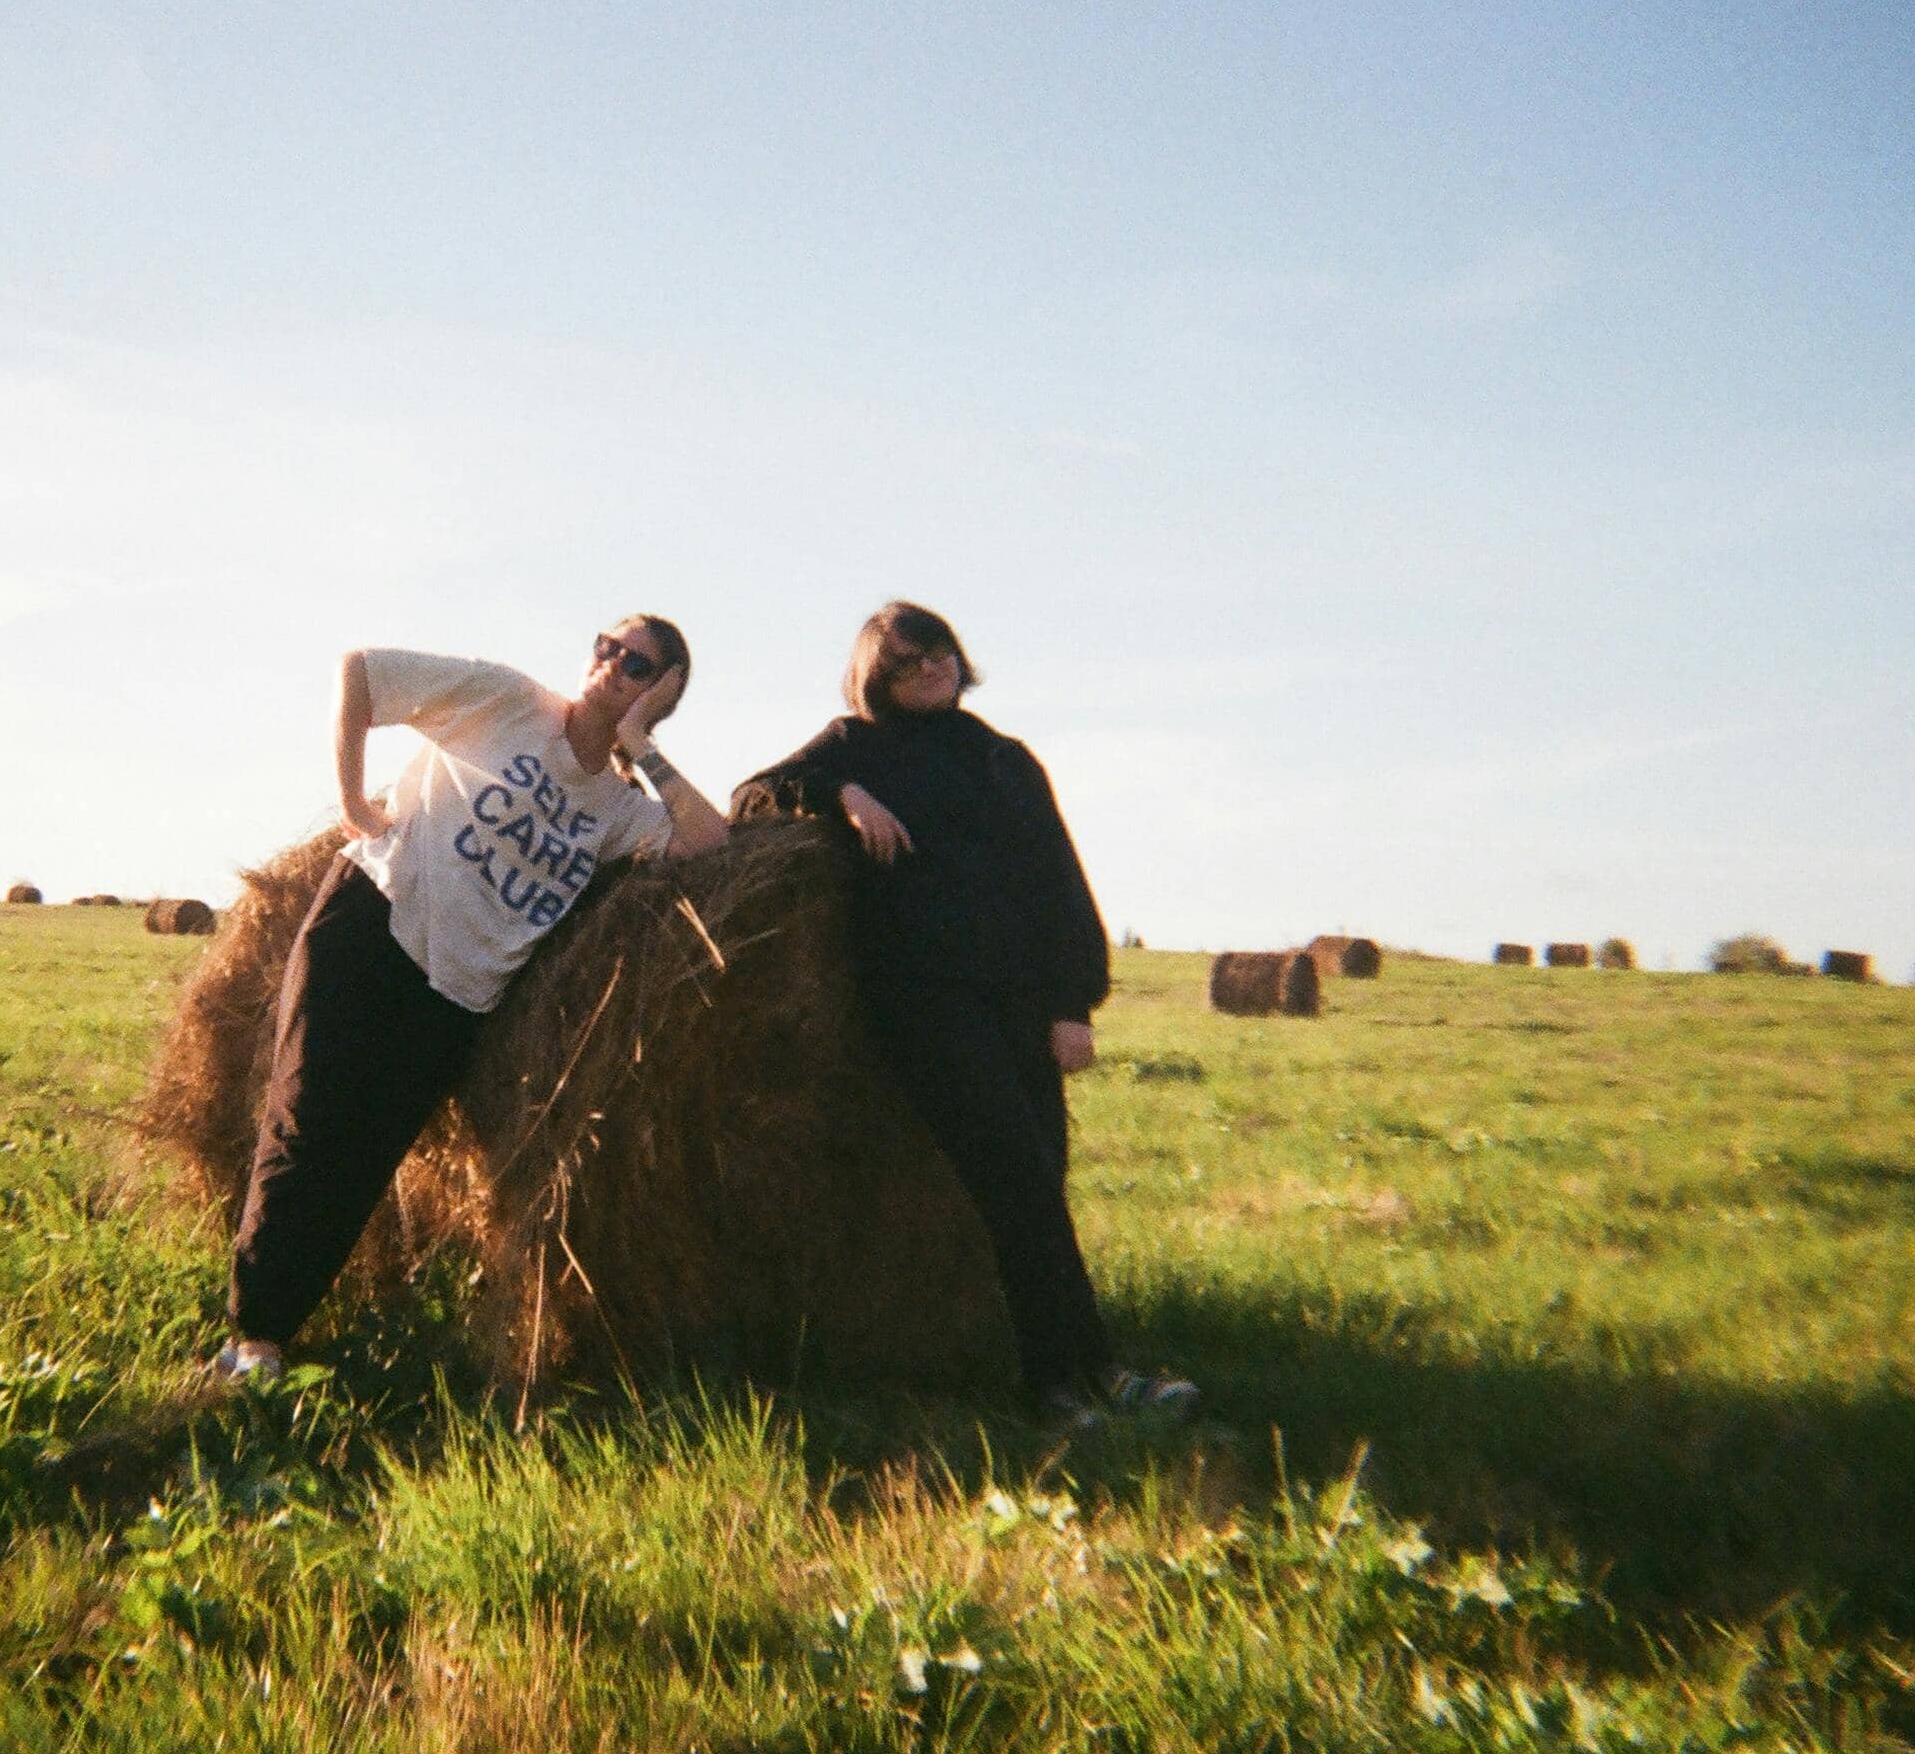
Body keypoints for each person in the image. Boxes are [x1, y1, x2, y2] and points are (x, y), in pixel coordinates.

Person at [215, 617, 731, 1381]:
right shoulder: (508, 700)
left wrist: (641, 744)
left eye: (636, 665)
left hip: (457, 998)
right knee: (307, 1121)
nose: (609, 665)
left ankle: (279, 1321)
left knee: (365, 1158)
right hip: (375, 924)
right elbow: (360, 672)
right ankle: (252, 1339)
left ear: (658, 692)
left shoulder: (618, 809)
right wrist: (354, 800)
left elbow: (712, 843)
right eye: (606, 646)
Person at [735, 601, 1194, 1425]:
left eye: (936, 649)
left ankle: (1082, 1375)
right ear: (875, 677)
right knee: (1017, 1178)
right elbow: (751, 795)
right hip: (922, 1002)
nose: (927, 668)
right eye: (904, 661)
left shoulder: (1003, 760)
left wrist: (1071, 1002)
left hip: (1019, 1004)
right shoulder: (854, 746)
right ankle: (1068, 1383)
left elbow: (1058, 881)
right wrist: (841, 792)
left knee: (1038, 1187)